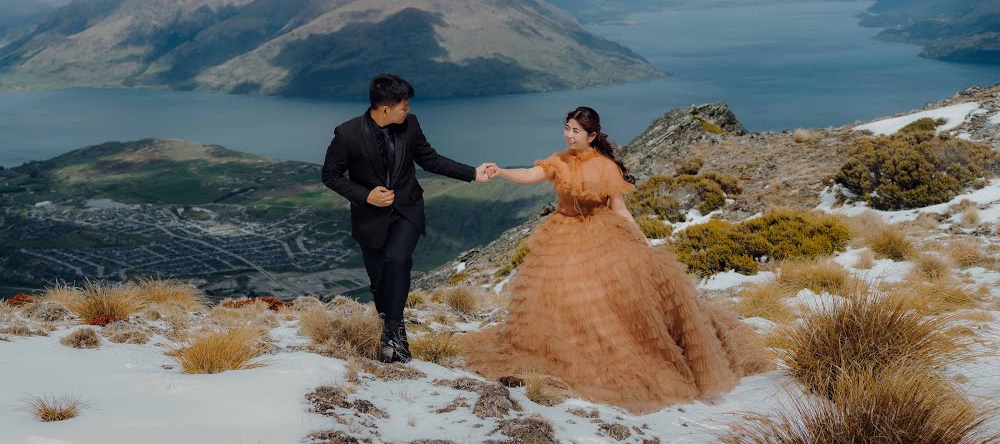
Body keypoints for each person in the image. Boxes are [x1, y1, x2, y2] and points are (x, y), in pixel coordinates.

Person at [461, 106, 769, 413]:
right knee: (554, 295)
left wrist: (642, 241)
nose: (569, 135)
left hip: (600, 233)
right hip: (561, 232)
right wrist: (499, 171)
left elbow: (619, 209)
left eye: (576, 131)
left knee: (602, 299)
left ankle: (602, 354)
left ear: (592, 135)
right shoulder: (559, 159)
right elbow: (531, 174)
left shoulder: (607, 167)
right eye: (567, 128)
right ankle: (562, 345)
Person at [322, 73, 496, 363]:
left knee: (398, 260)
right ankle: (392, 327)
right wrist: (366, 195)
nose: (409, 110)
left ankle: (392, 329)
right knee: (379, 281)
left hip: (408, 209)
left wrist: (473, 173)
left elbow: (430, 159)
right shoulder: (347, 134)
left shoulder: (410, 125)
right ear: (385, 109)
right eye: (405, 105)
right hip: (370, 217)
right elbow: (329, 175)